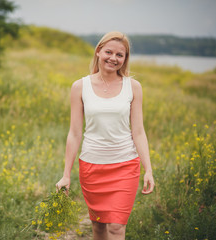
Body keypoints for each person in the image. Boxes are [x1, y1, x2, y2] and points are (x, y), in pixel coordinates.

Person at [56, 31, 155, 240]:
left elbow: (138, 131)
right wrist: (66, 174)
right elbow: (74, 133)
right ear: (99, 52)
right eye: (109, 52)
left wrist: (148, 169)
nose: (113, 58)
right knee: (99, 228)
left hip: (125, 166)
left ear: (125, 59)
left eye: (120, 55)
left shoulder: (133, 87)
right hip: (92, 167)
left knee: (116, 228)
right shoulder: (80, 86)